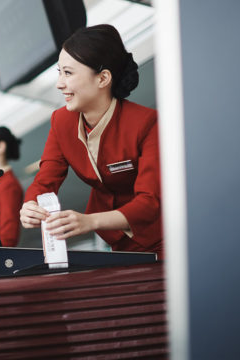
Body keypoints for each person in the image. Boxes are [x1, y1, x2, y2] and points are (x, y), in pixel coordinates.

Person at [19, 24, 163, 258]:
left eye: (68, 73)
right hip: (115, 240)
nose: (59, 83)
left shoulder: (146, 123)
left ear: (103, 78)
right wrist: (30, 205)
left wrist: (89, 221)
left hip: (161, 237)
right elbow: (46, 179)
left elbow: (150, 202)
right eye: (59, 72)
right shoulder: (61, 121)